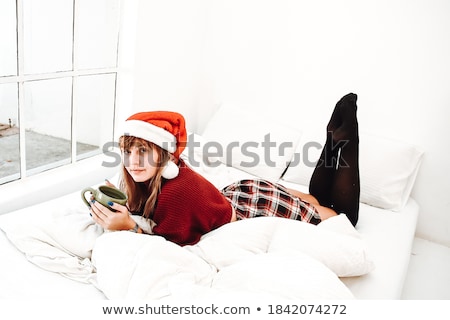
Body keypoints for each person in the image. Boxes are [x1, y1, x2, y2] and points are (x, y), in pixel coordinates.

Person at [89, 93, 360, 246]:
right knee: (316, 201)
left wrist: (128, 227)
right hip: (238, 193)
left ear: (164, 154)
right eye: (127, 152)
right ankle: (332, 142)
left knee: (342, 217)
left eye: (144, 152)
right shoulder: (144, 175)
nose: (133, 161)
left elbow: (169, 245)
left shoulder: (176, 193)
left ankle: (346, 142)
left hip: (252, 208)